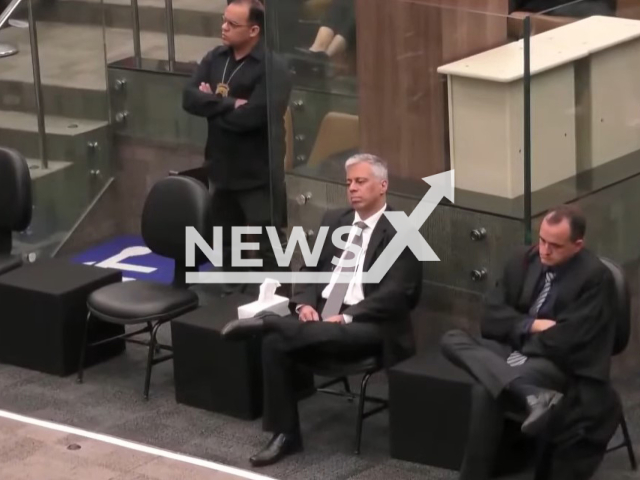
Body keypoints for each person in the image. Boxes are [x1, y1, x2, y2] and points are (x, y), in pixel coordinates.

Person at [221, 154, 423, 467]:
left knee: (280, 334)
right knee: (275, 344)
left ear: (383, 185)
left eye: (360, 181)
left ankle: (268, 323)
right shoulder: (334, 220)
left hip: (369, 324)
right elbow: (308, 271)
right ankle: (285, 434)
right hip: (322, 318)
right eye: (348, 183)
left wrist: (346, 315)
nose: (352, 189)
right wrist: (302, 304)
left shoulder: (403, 230)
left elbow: (400, 294)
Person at [440, 204, 621, 480]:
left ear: (577, 245)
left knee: (487, 388)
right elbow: (490, 317)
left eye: (555, 246)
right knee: (451, 339)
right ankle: (530, 394)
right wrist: (531, 325)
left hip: (557, 363)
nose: (544, 250)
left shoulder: (595, 278)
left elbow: (567, 340)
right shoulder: (523, 259)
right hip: (518, 349)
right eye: (542, 240)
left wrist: (519, 348)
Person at [182, 0, 292, 295]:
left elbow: (254, 117)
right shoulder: (215, 57)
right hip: (221, 167)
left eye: (232, 24)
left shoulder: (273, 68)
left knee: (270, 245)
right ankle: (231, 300)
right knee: (227, 244)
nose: (224, 27)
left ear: (254, 30)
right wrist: (229, 104)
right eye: (224, 20)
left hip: (257, 173)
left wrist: (212, 108)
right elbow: (189, 98)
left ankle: (280, 308)